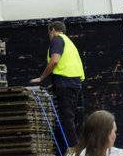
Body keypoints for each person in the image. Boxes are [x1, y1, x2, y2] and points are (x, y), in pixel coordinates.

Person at [31, 19, 85, 149]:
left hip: (65, 83)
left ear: (53, 30)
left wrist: (41, 77)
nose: (49, 36)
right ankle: (77, 147)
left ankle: (74, 150)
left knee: (67, 118)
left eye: (49, 33)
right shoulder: (69, 42)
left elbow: (55, 61)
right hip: (75, 83)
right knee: (73, 118)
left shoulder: (57, 39)